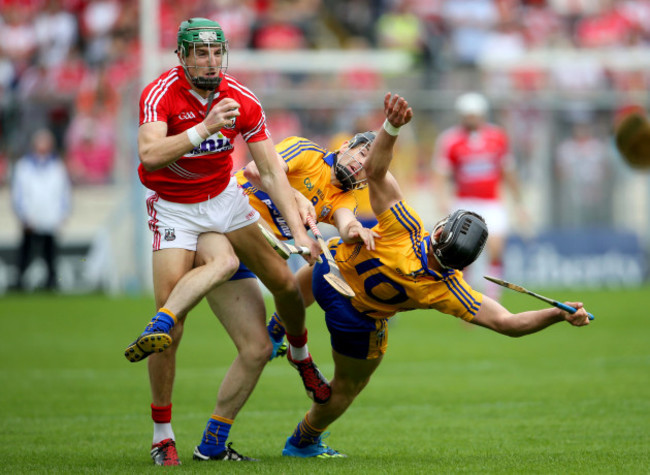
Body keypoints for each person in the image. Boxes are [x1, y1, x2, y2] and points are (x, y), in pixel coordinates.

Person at [277, 92, 591, 458]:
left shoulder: (406, 227)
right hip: (358, 322)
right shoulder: (449, 288)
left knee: (325, 260)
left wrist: (392, 126)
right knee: (346, 387)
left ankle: (277, 328)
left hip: (327, 277)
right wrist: (558, 313)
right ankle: (303, 441)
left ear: (439, 231)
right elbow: (510, 323)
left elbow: (375, 171)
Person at [122, 18, 323, 466]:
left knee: (284, 293)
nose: (211, 62)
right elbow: (150, 154)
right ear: (182, 56)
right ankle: (161, 435)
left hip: (224, 202)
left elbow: (271, 172)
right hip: (174, 208)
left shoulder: (241, 96)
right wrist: (204, 127)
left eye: (217, 53)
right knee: (168, 332)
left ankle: (299, 357)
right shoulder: (159, 93)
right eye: (200, 53)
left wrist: (304, 234)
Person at [232, 132, 382, 357]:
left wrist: (357, 230)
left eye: (368, 167)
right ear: (344, 147)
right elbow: (255, 170)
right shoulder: (306, 152)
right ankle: (300, 355)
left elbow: (346, 223)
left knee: (258, 351)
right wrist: (297, 197)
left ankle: (279, 332)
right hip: (226, 216)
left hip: (257, 248)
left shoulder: (344, 198)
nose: (360, 165)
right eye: (362, 154)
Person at [431, 91, 528, 300]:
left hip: (492, 202)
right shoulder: (450, 140)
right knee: (463, 253)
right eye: (467, 115)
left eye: (474, 114)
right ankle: (465, 297)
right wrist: (440, 199)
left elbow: (508, 171)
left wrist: (519, 203)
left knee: (496, 248)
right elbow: (441, 173)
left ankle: (493, 296)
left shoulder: (498, 137)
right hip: (464, 202)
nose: (471, 119)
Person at [10, 128, 71, 291]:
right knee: (26, 252)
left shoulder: (57, 167)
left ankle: (51, 282)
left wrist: (61, 215)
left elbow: (64, 193)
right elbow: (19, 193)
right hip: (31, 217)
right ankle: (19, 281)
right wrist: (23, 216)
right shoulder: (24, 166)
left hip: (50, 218)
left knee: (50, 254)